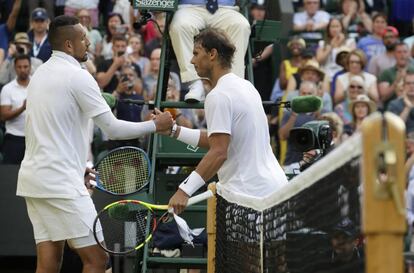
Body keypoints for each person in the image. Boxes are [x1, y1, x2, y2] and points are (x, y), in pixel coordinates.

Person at [16, 15, 173, 273]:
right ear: (68, 45)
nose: (89, 42)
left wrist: (78, 166)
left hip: (34, 181)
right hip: (60, 183)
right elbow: (112, 128)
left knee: (48, 262)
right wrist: (156, 126)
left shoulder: (40, 74)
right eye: (83, 38)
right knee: (99, 260)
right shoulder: (78, 77)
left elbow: (52, 131)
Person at [165, 28, 287, 214]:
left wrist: (184, 190)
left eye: (196, 53)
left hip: (249, 196)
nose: (192, 60)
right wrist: (174, 130)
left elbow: (219, 151)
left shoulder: (218, 96)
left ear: (212, 54)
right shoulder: (247, 86)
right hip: (275, 189)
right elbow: (220, 140)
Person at [169, 0, 251, 103]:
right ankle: (195, 84)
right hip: (190, 7)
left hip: (225, 8)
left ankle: (232, 85)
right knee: (179, 26)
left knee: (241, 26)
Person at [0, 54, 30, 164]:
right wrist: (22, 108)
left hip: (34, 139)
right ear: (15, 68)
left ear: (30, 67)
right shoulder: (8, 89)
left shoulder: (37, 86)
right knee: (10, 177)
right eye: (19, 67)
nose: (23, 70)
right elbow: (3, 116)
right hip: (14, 138)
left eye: (26, 66)